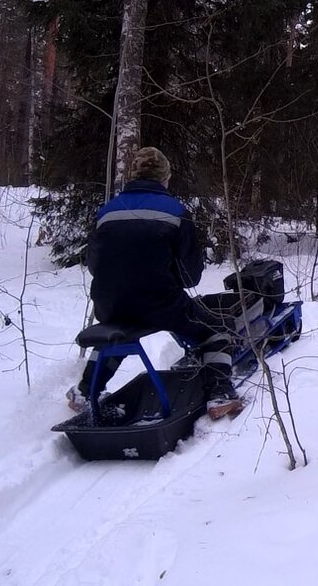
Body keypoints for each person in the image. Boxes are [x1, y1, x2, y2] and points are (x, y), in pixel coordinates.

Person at [66, 147, 244, 420]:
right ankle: (220, 394)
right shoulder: (175, 212)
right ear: (165, 179)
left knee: (117, 333)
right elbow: (190, 276)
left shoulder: (105, 213)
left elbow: (94, 265)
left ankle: (85, 390)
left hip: (110, 304)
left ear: (132, 177)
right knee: (218, 328)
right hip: (161, 304)